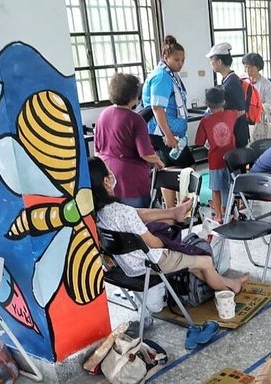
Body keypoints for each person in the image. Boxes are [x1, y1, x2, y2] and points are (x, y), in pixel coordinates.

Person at [90, 157, 246, 293]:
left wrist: (169, 218)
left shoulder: (98, 214)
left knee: (192, 262)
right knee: (204, 261)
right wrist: (168, 234)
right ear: (106, 181)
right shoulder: (124, 212)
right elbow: (155, 243)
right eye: (108, 170)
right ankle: (227, 293)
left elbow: (135, 218)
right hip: (150, 263)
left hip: (128, 265)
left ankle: (231, 283)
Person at [94, 73, 164, 208]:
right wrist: (158, 161)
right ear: (135, 96)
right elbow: (146, 153)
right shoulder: (135, 119)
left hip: (107, 176)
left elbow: (97, 150)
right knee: (138, 219)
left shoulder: (103, 114)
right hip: (130, 179)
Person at [142, 35, 192, 168]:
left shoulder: (171, 74)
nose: (180, 63)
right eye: (176, 60)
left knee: (187, 168)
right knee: (172, 172)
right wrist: (168, 136)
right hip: (162, 134)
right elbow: (157, 108)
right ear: (165, 57)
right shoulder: (161, 76)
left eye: (182, 60)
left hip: (174, 134)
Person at [195, 87, 237, 221]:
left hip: (215, 161)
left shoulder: (205, 121)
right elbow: (241, 112)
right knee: (230, 186)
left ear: (206, 103)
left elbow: (199, 142)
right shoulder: (231, 114)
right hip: (232, 160)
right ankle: (229, 211)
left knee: (216, 189)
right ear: (224, 102)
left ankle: (218, 215)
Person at [206, 42, 253, 149]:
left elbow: (241, 110)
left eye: (211, 60)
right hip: (232, 133)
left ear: (219, 61)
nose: (210, 63)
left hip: (237, 134)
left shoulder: (232, 82)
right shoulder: (227, 80)